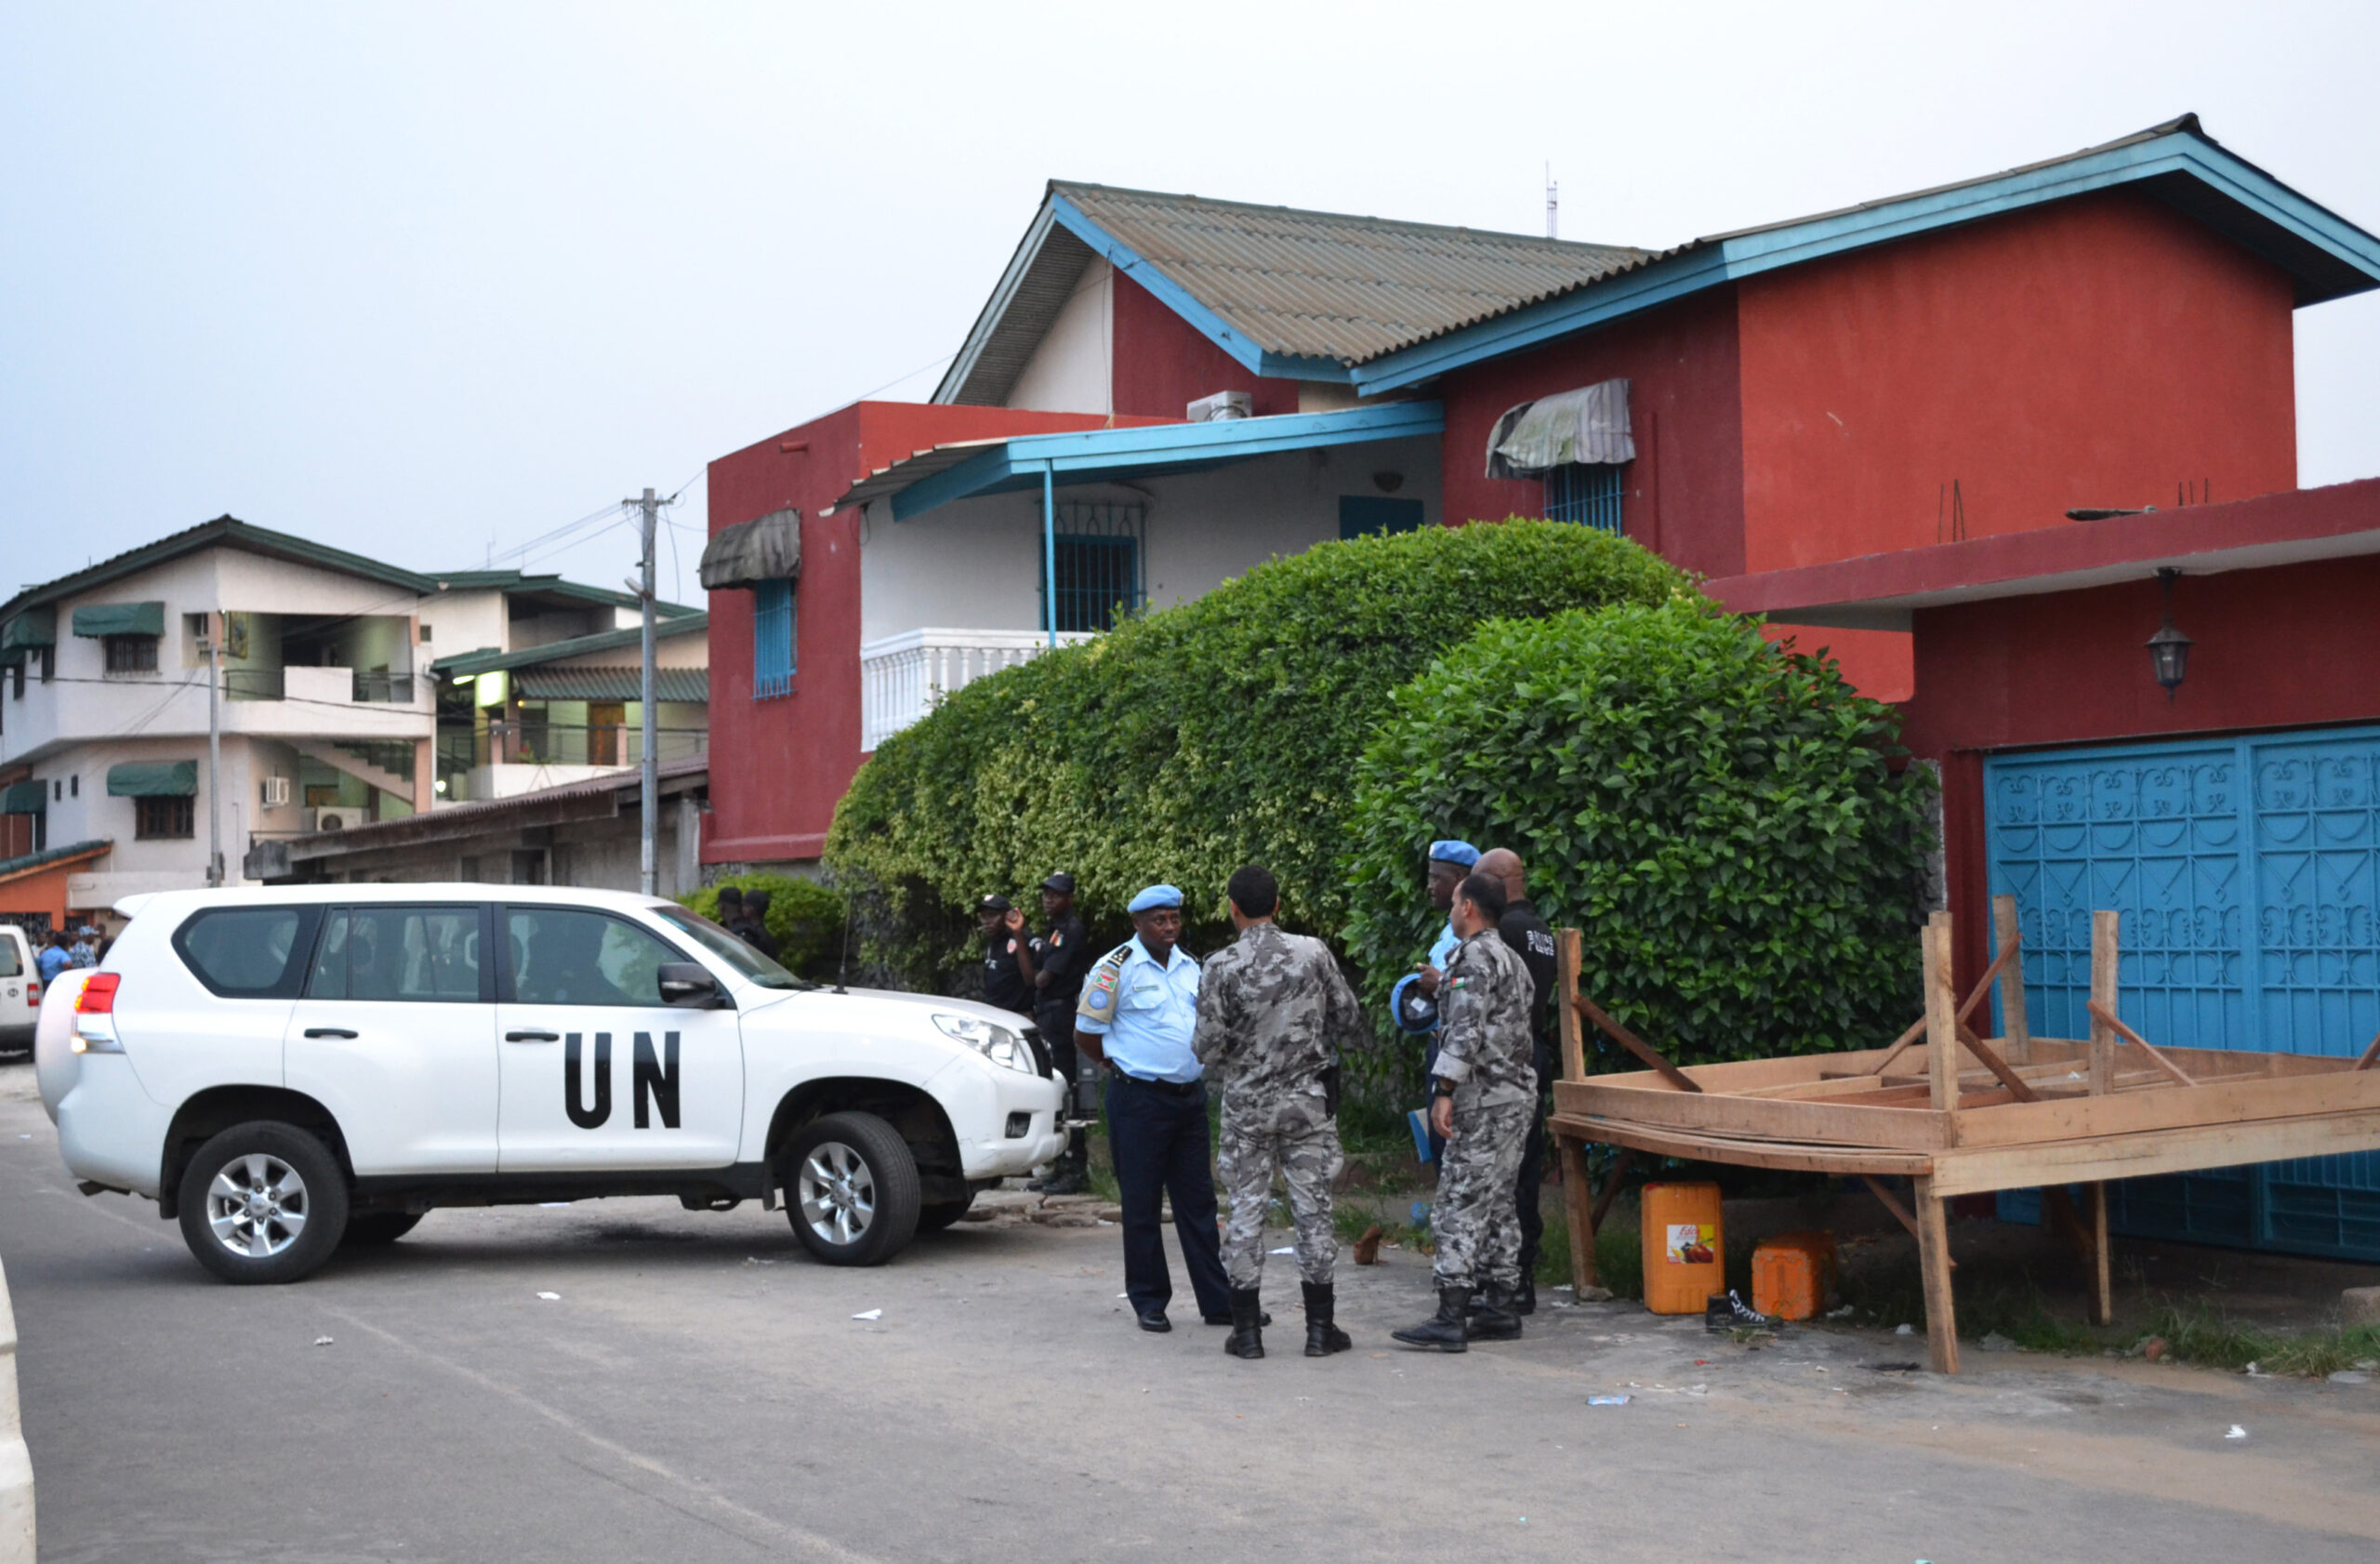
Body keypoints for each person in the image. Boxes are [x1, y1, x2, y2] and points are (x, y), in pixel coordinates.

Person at [1192, 865, 1363, 1360]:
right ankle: (1320, 1330)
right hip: (1308, 1104)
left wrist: (1242, 1061)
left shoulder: (1219, 966)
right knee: (1314, 1212)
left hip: (1247, 1107)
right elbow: (1348, 1017)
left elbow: (1205, 1047)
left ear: (1233, 909)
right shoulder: (1313, 952)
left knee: (1245, 1211)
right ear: (1278, 905)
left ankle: (1246, 1334)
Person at [1076, 883, 1231, 1333]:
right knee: (1141, 1204)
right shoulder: (1113, 969)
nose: (1168, 928)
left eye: (1174, 919)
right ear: (1137, 924)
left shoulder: (1190, 966)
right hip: (1139, 1101)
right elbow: (1086, 1032)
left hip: (1188, 1100)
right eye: (1158, 920)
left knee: (1198, 1203)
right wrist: (1113, 1062)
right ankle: (1149, 1301)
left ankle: (1217, 1302)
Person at [1393, 870, 1537, 1352]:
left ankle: (1450, 1315)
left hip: (1484, 1100)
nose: (1451, 910)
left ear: (1470, 907)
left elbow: (1466, 1031)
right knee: (1498, 1202)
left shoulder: (1473, 957)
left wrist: (1445, 1089)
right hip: (1515, 1097)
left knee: (1457, 1202)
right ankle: (1500, 1305)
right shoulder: (1512, 959)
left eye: (1455, 902)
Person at [1476, 847, 1558, 1315]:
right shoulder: (1540, 929)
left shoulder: (1503, 930)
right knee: (1524, 1168)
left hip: (1508, 1060)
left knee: (1503, 1175)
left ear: (1496, 881)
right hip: (1536, 1054)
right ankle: (1520, 1275)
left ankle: (1509, 1279)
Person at [1388, 840, 1477, 1161]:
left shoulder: (1478, 937)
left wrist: (1440, 983)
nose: (1429, 887)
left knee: (1456, 1148)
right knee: (1441, 1148)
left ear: (1460, 880)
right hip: (1440, 1045)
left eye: (1436, 878)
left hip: (1461, 1053)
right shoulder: (1450, 929)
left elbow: (1478, 989)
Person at [1026, 871, 1094, 1195]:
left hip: (1062, 1013)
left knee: (1067, 1087)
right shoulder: (1054, 931)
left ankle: (1075, 1166)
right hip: (1049, 1012)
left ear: (1070, 898)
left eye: (1055, 894)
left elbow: (1043, 978)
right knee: (1055, 1087)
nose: (1048, 899)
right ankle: (1059, 1163)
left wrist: (1038, 972)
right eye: (1046, 893)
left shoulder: (1071, 930)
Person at [976, 894, 1034, 1014]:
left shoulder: (1023, 940)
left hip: (1018, 1016)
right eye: (983, 916)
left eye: (992, 916)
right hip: (994, 1015)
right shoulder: (992, 942)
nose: (987, 922)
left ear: (1007, 915)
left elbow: (1032, 980)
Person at [737, 889, 782, 962]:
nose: (742, 909)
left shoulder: (751, 936)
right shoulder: (768, 939)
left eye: (745, 906)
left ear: (751, 909)